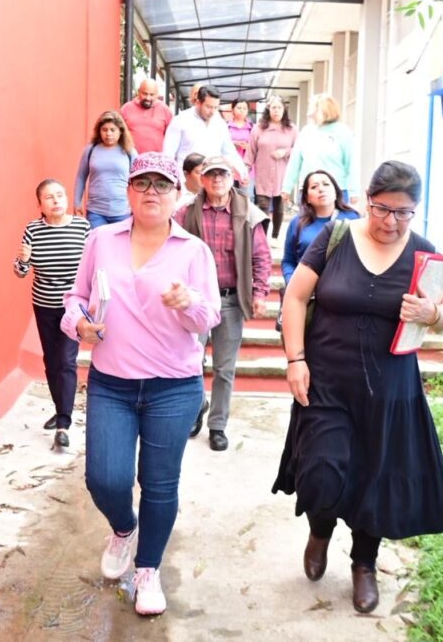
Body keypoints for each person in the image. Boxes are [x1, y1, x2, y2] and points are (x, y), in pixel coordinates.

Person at [273, 160, 443, 614]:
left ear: (415, 210)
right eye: (382, 209)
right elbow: (296, 297)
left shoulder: (423, 254)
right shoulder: (336, 236)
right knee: (321, 470)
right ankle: (320, 528)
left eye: (403, 212)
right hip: (326, 382)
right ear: (366, 200)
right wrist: (295, 359)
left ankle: (364, 563)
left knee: (375, 477)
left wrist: (433, 313)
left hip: (390, 390)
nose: (391, 222)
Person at [60, 152, 221, 616]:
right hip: (112, 382)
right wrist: (79, 323)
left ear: (178, 195)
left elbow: (209, 317)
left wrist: (188, 302)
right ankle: (123, 528)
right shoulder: (101, 239)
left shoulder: (193, 251)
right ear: (128, 191)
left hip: (173, 386)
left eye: (162, 185)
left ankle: (148, 568)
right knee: (104, 478)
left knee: (159, 483)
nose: (152, 192)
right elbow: (77, 297)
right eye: (142, 183)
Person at [175, 156, 271, 451]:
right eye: (211, 175)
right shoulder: (186, 212)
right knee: (191, 361)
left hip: (230, 300)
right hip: (197, 300)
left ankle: (217, 425)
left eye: (223, 174)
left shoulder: (248, 213)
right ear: (202, 179)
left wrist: (259, 293)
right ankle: (195, 408)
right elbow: (170, 248)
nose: (217, 179)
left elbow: (261, 257)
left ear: (232, 179)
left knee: (224, 368)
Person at [14, 179, 90, 448]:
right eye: (49, 197)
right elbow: (20, 272)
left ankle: (63, 424)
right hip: (44, 304)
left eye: (60, 195)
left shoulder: (82, 227)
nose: (56, 200)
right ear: (40, 205)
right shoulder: (33, 230)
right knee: (51, 361)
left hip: (74, 306)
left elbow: (93, 264)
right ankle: (60, 409)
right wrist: (23, 259)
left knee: (66, 360)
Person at [280, 170, 359, 287]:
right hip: (305, 291)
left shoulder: (353, 219)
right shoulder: (297, 223)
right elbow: (288, 261)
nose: (321, 189)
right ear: (307, 197)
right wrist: (292, 284)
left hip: (343, 290)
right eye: (314, 187)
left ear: (336, 192)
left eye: (326, 184)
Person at [162, 85, 247, 185]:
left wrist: (243, 171)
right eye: (209, 107)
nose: (212, 111)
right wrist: (172, 180)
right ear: (198, 102)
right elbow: (168, 154)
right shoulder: (180, 120)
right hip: (186, 182)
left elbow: (229, 151)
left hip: (212, 181)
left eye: (216, 107)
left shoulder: (220, 123)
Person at [283, 93, 357, 203]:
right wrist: (286, 188)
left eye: (312, 106)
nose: (309, 111)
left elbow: (351, 163)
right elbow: (294, 162)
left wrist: (354, 191)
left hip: (337, 190)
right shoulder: (306, 132)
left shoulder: (343, 132)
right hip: (309, 190)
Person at [245, 94, 298, 239]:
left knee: (279, 207)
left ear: (284, 109)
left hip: (282, 174)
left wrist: (285, 152)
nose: (276, 110)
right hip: (263, 174)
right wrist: (245, 170)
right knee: (263, 206)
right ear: (268, 109)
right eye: (273, 107)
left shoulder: (291, 129)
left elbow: (298, 150)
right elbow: (251, 151)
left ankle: (275, 236)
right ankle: (262, 237)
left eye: (279, 107)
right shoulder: (258, 128)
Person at [74, 110, 138, 228]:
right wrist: (77, 203)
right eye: (104, 130)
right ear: (99, 131)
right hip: (96, 212)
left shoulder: (129, 151)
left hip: (122, 212)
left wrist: (137, 206)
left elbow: (137, 180)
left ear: (120, 131)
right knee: (98, 239)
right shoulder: (91, 149)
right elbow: (81, 177)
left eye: (112, 130)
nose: (108, 134)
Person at [120, 79, 174, 154]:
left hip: (156, 159)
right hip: (130, 157)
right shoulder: (126, 109)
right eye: (145, 94)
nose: (148, 98)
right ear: (138, 92)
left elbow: (172, 137)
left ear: (157, 94)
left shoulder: (165, 110)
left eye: (152, 95)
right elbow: (118, 133)